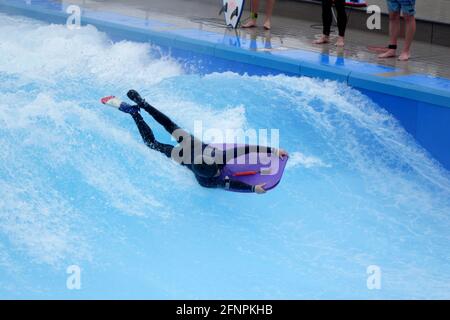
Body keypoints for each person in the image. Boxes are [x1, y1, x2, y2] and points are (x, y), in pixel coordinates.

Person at [101, 90, 288, 194]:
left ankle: (142, 106)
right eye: (217, 170)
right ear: (212, 173)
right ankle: (137, 111)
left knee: (167, 128)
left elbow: (245, 149)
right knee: (156, 140)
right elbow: (231, 185)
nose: (219, 169)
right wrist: (254, 188)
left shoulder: (219, 159)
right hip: (185, 154)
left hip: (194, 148)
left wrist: (273, 150)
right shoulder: (207, 182)